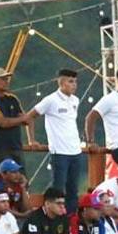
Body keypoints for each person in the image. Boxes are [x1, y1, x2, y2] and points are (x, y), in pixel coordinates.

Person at [30, 69, 84, 211]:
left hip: (76, 151)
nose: (74, 85)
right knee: (58, 189)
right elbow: (30, 116)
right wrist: (32, 140)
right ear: (60, 82)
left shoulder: (75, 100)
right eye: (70, 81)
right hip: (59, 151)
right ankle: (51, 217)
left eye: (75, 82)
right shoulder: (50, 100)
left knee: (73, 189)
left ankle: (71, 220)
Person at [0, 67, 33, 170]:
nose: (7, 82)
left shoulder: (12, 98)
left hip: (16, 145)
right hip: (1, 148)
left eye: (7, 79)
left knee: (22, 180)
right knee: (7, 179)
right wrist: (20, 120)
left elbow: (27, 120)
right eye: (3, 79)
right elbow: (3, 122)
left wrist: (32, 140)